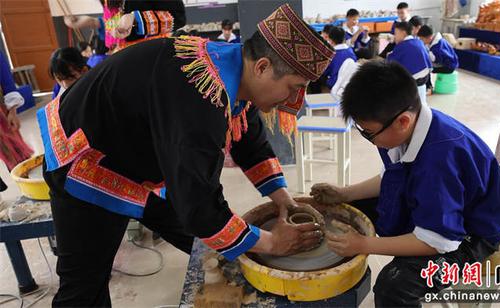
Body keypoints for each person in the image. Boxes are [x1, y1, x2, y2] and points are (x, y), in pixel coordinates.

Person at [38, 4, 334, 306]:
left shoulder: (232, 64)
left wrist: (285, 201)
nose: (294, 102)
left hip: (139, 144)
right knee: (85, 286)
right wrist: (272, 242)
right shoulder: (200, 100)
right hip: (85, 155)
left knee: (209, 237)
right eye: (294, 87)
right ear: (262, 67)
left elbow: (249, 140)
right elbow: (198, 205)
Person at [311, 61, 500, 308]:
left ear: (402, 121)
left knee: (393, 287)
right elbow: (392, 177)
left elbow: (438, 240)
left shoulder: (439, 161)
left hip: (472, 229)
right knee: (347, 208)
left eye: (368, 133)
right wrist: (343, 193)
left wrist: (365, 244)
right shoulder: (409, 127)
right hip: (443, 203)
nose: (368, 140)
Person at [64, 0, 186, 52]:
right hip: (123, 58)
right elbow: (115, 21)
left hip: (153, 56)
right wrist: (93, 22)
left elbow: (178, 17)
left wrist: (135, 19)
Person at [0, 51, 33, 171]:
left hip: (2, 116)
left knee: (17, 159)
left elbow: (6, 80)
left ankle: (28, 187)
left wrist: (12, 111)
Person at [387, 22, 432, 105]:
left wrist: (388, 55)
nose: (395, 36)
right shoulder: (418, 41)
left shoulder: (402, 45)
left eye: (396, 33)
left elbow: (390, 61)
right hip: (425, 77)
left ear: (403, 33)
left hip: (414, 80)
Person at [418, 25, 459, 93]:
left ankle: (428, 88)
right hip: (449, 63)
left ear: (429, 37)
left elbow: (436, 59)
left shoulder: (437, 46)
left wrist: (426, 54)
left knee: (426, 68)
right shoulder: (438, 41)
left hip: (449, 67)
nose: (421, 41)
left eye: (422, 39)